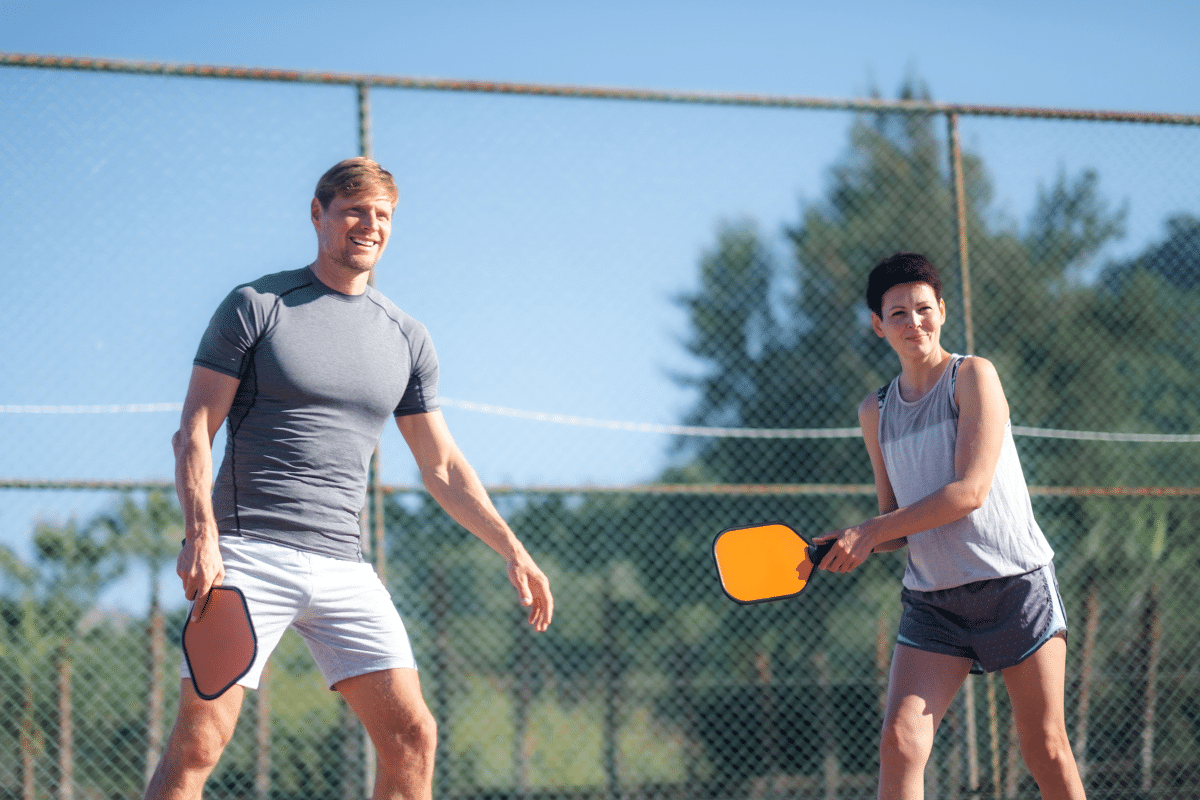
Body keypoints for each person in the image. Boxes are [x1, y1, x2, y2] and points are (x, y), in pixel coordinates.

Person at [145, 157, 554, 800]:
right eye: (355, 211)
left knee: (412, 735)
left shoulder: (407, 338)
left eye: (383, 215)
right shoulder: (258, 305)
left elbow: (442, 466)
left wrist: (514, 549)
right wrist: (202, 534)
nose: (370, 225)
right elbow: (194, 428)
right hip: (248, 556)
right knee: (199, 744)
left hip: (345, 566)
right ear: (319, 214)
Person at [813, 253, 1086, 800]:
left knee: (1045, 746)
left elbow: (969, 493)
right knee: (899, 741)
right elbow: (897, 520)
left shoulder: (974, 376)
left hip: (1014, 585)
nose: (913, 322)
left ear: (942, 309)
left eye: (922, 309)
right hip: (934, 601)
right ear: (877, 324)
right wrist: (847, 544)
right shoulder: (876, 411)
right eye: (897, 313)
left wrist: (870, 529)